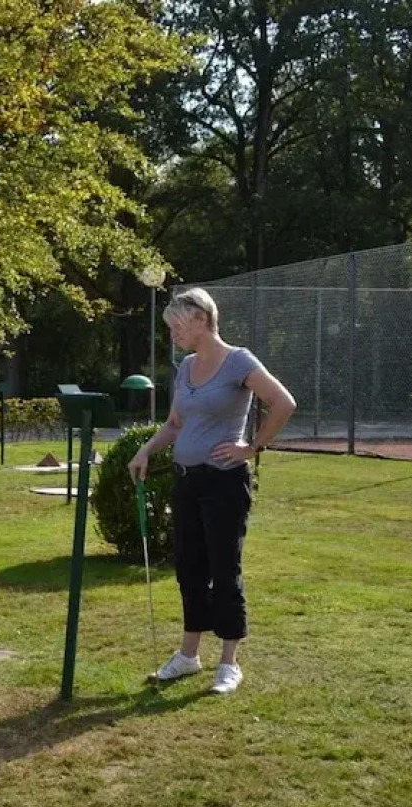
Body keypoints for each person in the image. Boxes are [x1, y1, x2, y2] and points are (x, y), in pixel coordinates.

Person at [127, 287, 296, 694]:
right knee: (189, 567)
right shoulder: (185, 367)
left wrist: (251, 448)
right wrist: (146, 450)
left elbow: (283, 402)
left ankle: (228, 662)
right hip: (187, 479)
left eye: (177, 326)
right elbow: (175, 424)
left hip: (223, 482)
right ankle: (189, 656)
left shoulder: (238, 361)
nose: (172, 334)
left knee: (224, 568)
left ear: (202, 319)